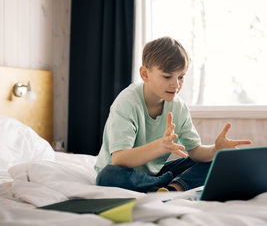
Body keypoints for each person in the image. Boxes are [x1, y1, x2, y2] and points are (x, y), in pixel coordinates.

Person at [94, 36, 251, 192]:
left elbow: (195, 151)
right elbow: (120, 159)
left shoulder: (178, 106)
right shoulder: (127, 102)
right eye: (167, 76)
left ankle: (171, 188)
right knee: (107, 176)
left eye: (181, 77)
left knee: (216, 161)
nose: (176, 84)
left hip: (156, 174)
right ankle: (162, 183)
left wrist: (215, 150)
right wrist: (160, 146)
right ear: (145, 74)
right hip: (121, 170)